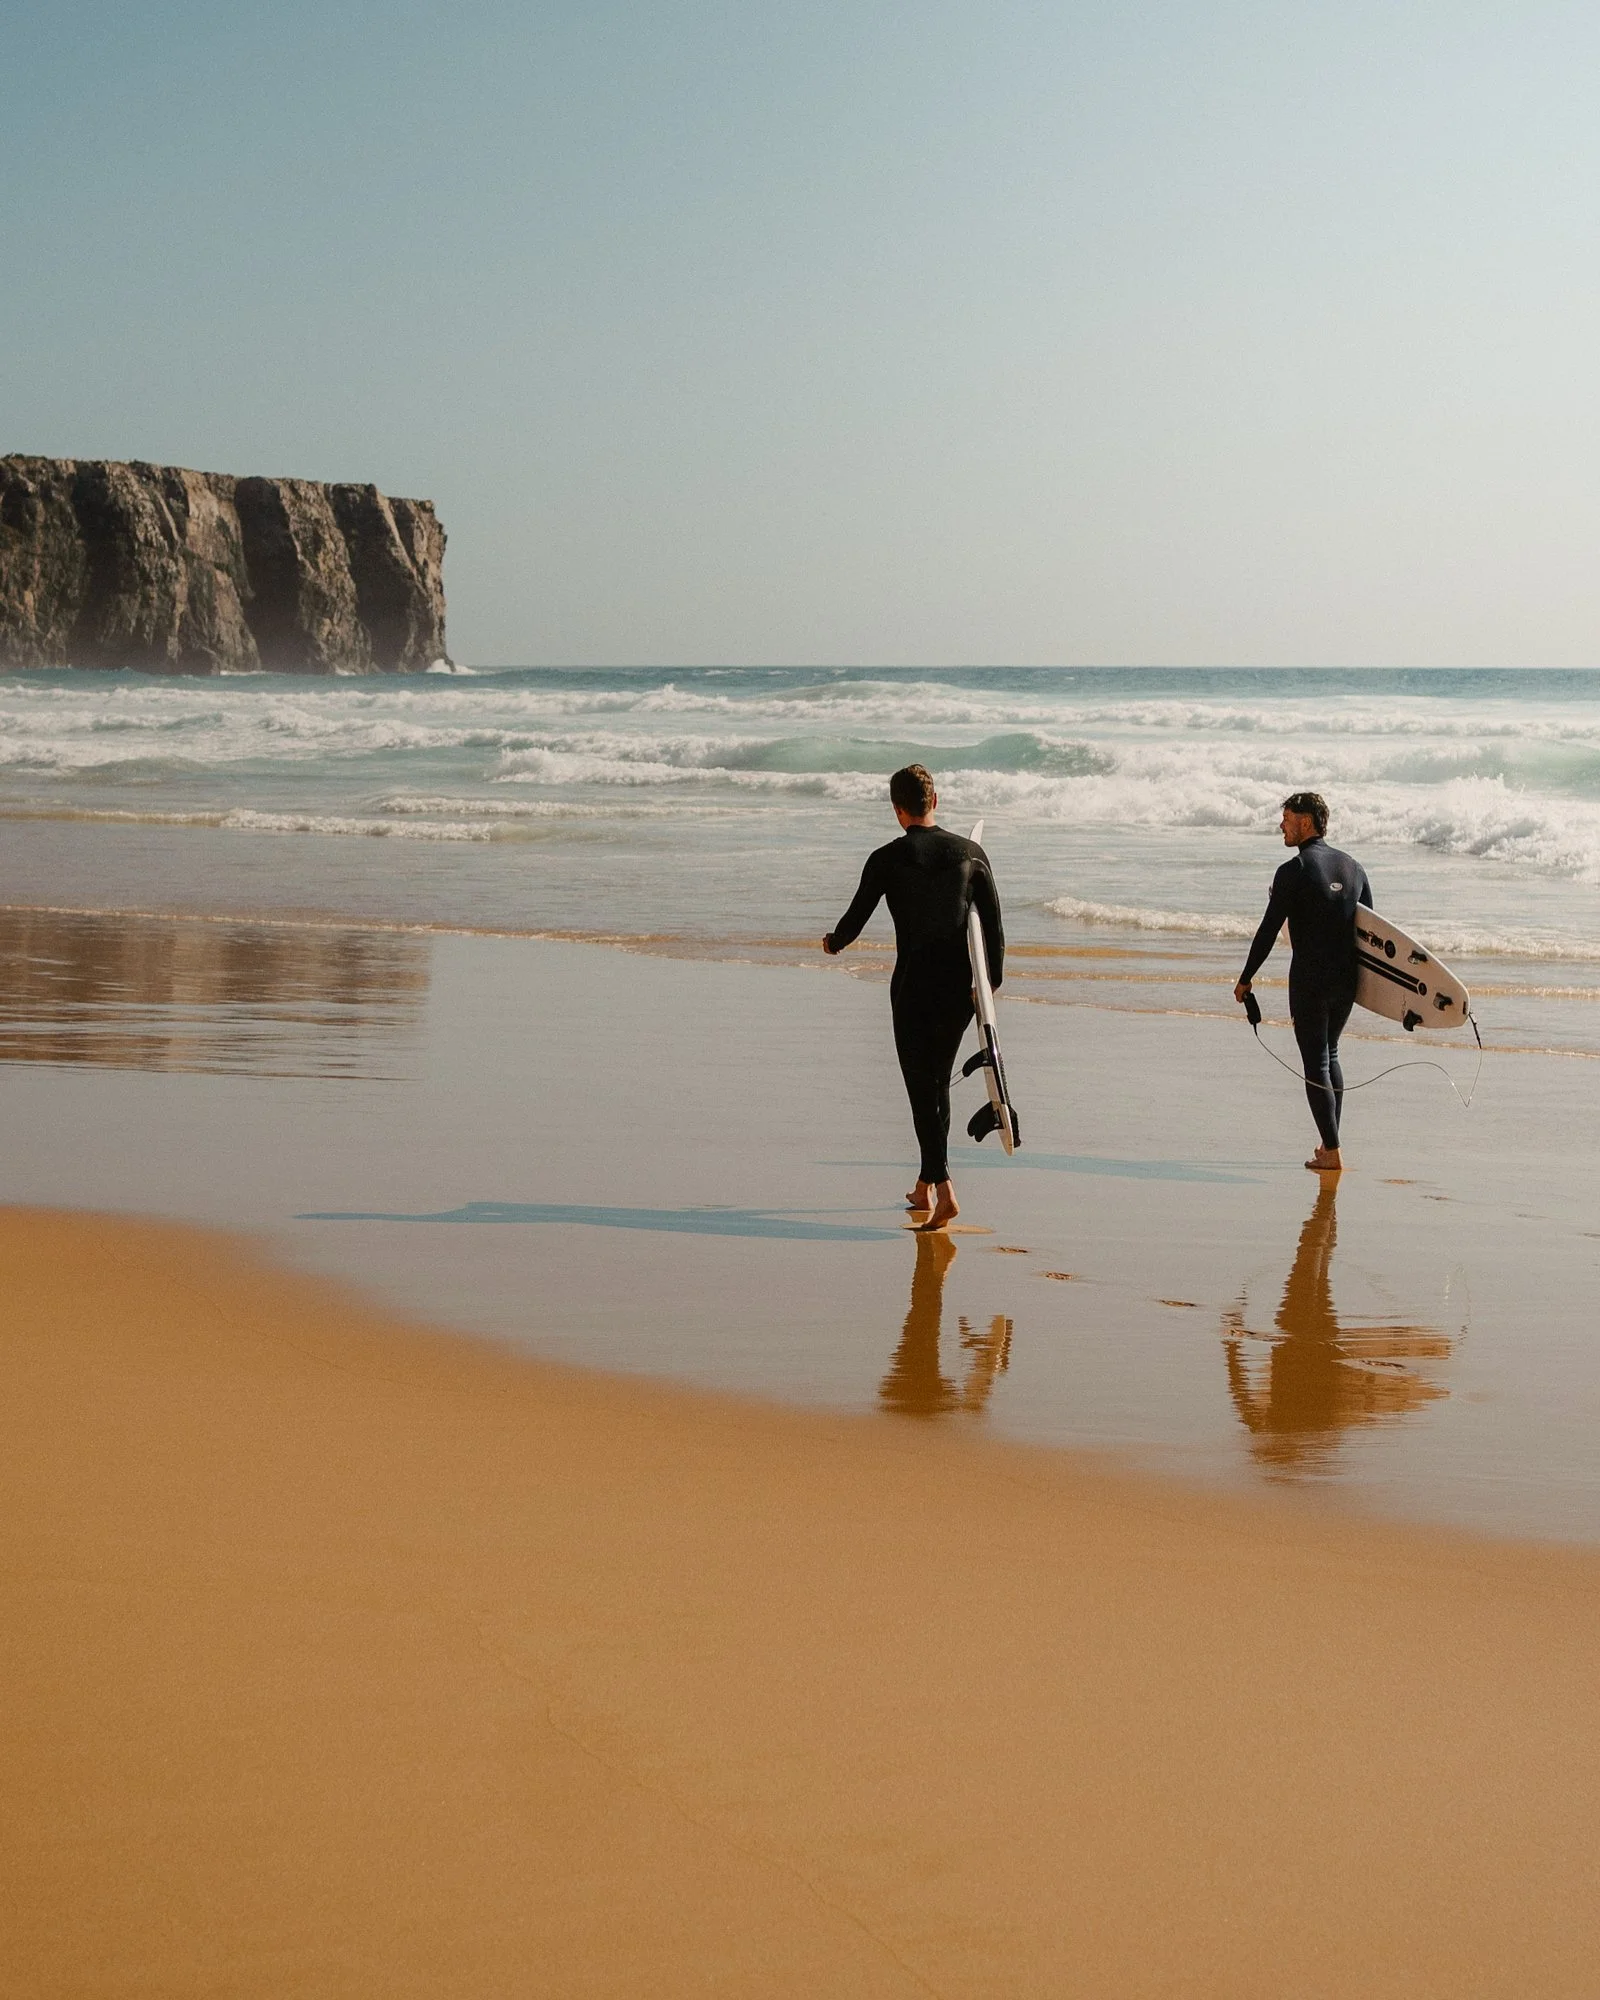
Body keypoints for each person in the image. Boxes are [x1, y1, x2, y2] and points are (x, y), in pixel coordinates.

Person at [823, 764, 1004, 1231]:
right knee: (937, 1082)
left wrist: (833, 943)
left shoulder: (886, 858)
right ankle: (924, 1186)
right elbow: (995, 929)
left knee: (921, 1090)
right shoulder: (972, 854)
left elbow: (855, 919)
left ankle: (945, 1191)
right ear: (935, 802)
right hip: (959, 991)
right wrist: (988, 988)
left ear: (897, 810)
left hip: (911, 988)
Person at [1233, 791, 1372, 1173]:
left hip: (1310, 980)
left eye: (1287, 819)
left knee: (1316, 1063)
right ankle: (1331, 1144)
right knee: (1331, 1055)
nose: (1281, 825)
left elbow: (1267, 932)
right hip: (1346, 981)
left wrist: (1245, 979)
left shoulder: (1292, 871)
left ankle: (1332, 1150)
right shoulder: (1354, 868)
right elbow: (1372, 936)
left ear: (1306, 822)